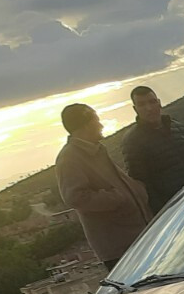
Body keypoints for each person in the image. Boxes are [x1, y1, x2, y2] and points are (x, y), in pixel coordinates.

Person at [54, 104, 152, 268]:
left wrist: (137, 189)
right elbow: (76, 197)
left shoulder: (96, 150)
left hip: (137, 238)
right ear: (85, 125)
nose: (101, 125)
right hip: (120, 248)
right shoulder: (69, 158)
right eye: (96, 120)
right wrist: (118, 198)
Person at [122, 85, 184, 213]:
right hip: (175, 209)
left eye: (152, 102)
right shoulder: (133, 141)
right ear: (135, 109)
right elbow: (142, 184)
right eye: (142, 104)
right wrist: (164, 212)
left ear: (159, 103)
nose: (149, 108)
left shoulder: (178, 128)